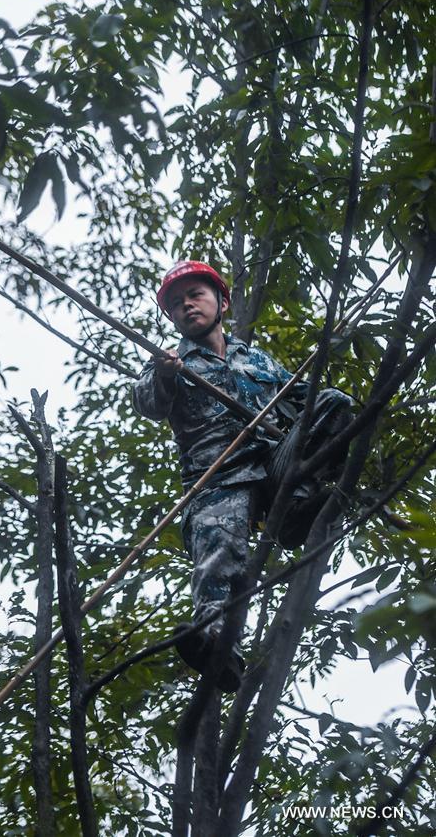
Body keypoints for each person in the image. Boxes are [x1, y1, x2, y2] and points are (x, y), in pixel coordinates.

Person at [132, 260, 352, 692]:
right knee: (220, 555)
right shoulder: (170, 362)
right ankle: (219, 648)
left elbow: (304, 401)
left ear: (222, 302)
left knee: (335, 403)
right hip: (218, 477)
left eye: (195, 295)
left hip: (273, 466)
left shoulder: (256, 360)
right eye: (176, 303)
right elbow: (147, 404)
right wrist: (163, 373)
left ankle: (296, 507)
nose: (186, 306)